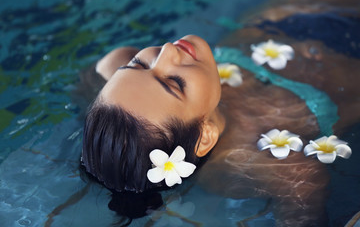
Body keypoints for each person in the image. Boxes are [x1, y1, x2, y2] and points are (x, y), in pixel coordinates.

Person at [81, 35, 329, 226]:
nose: (166, 50)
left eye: (138, 64)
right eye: (174, 83)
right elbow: (304, 185)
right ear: (204, 137)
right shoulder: (273, 166)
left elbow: (107, 65)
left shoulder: (121, 73)